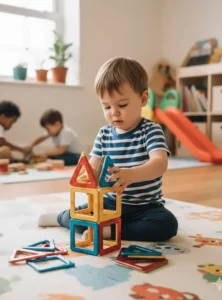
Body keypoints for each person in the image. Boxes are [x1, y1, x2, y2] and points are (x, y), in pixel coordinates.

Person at [38, 57, 178, 242]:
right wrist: (86, 177)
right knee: (80, 217)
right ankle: (59, 218)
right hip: (109, 203)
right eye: (106, 106)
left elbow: (160, 163)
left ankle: (111, 232)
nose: (114, 112)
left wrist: (132, 174)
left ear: (143, 99)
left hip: (145, 207)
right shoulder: (104, 134)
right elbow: (93, 169)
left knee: (167, 225)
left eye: (122, 105)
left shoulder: (150, 130)